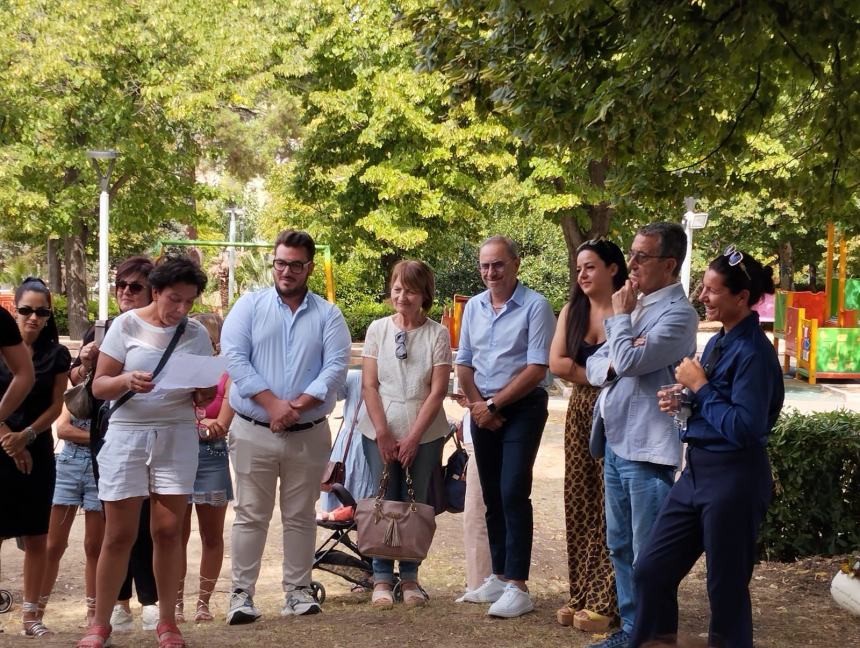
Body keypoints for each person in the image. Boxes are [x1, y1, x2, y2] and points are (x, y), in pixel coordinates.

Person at [631, 248, 784, 648]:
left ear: (742, 297)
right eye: (703, 287)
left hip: (735, 477)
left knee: (726, 590)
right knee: (651, 569)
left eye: (713, 291)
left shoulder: (754, 353)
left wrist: (699, 387)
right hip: (697, 472)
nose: (703, 296)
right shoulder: (719, 342)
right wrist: (683, 399)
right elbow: (717, 403)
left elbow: (745, 429)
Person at [77, 256, 215, 648]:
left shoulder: (196, 334)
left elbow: (204, 393)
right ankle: (100, 624)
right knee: (118, 534)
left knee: (168, 531)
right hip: (127, 434)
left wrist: (204, 391)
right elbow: (100, 386)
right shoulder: (126, 325)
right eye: (175, 299)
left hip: (176, 435)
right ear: (156, 292)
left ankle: (168, 622)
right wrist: (126, 380)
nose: (181, 309)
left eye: (189, 302)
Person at [221, 229, 351, 624]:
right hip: (252, 430)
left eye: (296, 264)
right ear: (273, 263)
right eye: (281, 263)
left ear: (309, 267)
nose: (287, 271)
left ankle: (298, 591)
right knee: (250, 515)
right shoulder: (249, 306)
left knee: (300, 515)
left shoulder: (329, 315)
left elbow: (335, 368)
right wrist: (273, 405)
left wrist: (295, 406)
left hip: (308, 433)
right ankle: (241, 596)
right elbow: (235, 358)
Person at [585, 222, 699, 648]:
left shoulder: (679, 314)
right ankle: (633, 628)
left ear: (669, 264)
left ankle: (650, 633)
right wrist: (622, 348)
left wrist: (619, 330)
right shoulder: (636, 307)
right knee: (618, 543)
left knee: (647, 551)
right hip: (616, 440)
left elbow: (629, 362)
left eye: (640, 257)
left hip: (647, 447)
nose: (630, 264)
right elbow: (598, 366)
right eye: (632, 253)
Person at [455, 235, 556, 618]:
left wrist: (494, 405)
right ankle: (497, 576)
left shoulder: (536, 306)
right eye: (484, 265)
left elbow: (536, 368)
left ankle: (518, 585)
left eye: (498, 264)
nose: (490, 272)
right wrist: (480, 406)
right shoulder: (475, 308)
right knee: (492, 496)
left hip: (522, 408)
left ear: (516, 264)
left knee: (514, 490)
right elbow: (464, 363)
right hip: (483, 407)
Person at [68, 255, 161, 632]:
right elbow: (74, 382)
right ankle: (119, 604)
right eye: (120, 285)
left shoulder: (160, 330)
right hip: (107, 430)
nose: (125, 292)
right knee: (115, 522)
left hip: (152, 428)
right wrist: (87, 362)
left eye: (134, 286)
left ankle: (152, 601)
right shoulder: (102, 328)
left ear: (151, 290)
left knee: (149, 520)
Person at [359, 260, 452, 608]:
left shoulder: (437, 334)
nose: (402, 296)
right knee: (383, 497)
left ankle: (411, 577)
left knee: (416, 501)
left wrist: (413, 437)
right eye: (397, 288)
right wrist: (383, 432)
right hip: (379, 426)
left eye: (410, 290)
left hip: (424, 429)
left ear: (424, 294)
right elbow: (369, 385)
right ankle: (381, 576)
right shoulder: (377, 330)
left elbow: (437, 391)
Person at [549, 239, 627, 632]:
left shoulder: (628, 308)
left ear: (614, 268)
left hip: (618, 412)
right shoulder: (572, 309)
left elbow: (627, 366)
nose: (582, 275)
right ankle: (580, 590)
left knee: (610, 505)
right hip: (581, 411)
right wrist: (596, 376)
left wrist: (594, 376)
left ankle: (606, 598)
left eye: (591, 267)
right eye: (579, 268)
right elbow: (557, 362)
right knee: (578, 499)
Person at [0, 278, 70, 637]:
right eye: (26, 310)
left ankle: (31, 616)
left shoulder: (56, 354)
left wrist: (25, 437)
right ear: (15, 310)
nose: (33, 318)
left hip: (37, 448)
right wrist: (7, 441)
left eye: (41, 312)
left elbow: (57, 403)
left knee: (37, 535)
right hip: (0, 446)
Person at [175, 312, 235, 623]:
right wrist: (201, 423)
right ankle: (176, 604)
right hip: (179, 456)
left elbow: (222, 423)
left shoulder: (226, 373)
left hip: (212, 456)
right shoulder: (180, 371)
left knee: (212, 536)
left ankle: (203, 603)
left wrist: (203, 424)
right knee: (176, 534)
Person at [39, 405, 105, 628]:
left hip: (100, 464)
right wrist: (98, 437)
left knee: (95, 546)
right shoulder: (74, 384)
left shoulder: (109, 388)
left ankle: (94, 613)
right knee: (53, 546)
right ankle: (36, 611)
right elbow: (63, 429)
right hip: (69, 463)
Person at [321, 368, 375, 512]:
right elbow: (332, 393)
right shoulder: (356, 377)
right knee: (345, 493)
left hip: (372, 444)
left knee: (366, 500)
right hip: (351, 444)